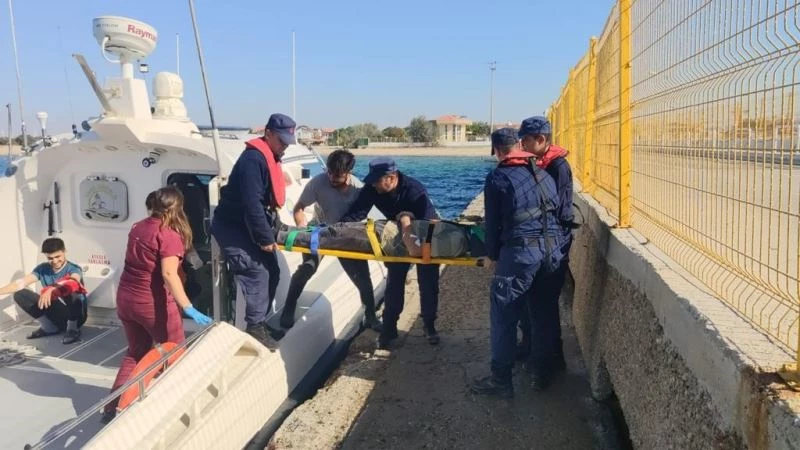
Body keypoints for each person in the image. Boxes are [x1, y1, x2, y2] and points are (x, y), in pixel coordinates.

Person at [103, 187, 212, 422]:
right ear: (178, 207)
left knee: (136, 352)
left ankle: (112, 407)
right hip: (151, 303)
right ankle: (176, 407)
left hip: (126, 299)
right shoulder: (169, 235)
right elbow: (169, 274)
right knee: (175, 353)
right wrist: (188, 307)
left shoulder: (138, 227)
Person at [469, 128, 563, 398]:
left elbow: (492, 223)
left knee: (504, 316)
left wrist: (491, 255)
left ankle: (501, 381)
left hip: (521, 255)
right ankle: (541, 374)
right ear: (519, 146)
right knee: (543, 315)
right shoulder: (543, 173)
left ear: (497, 151)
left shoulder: (498, 177)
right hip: (552, 252)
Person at [210, 113, 296, 349]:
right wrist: (265, 238)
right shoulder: (252, 160)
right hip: (232, 227)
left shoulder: (270, 157)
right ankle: (254, 328)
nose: (285, 146)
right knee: (257, 271)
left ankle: (261, 322)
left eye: (288, 142)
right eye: (282, 141)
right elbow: (252, 203)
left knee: (273, 270)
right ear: (268, 134)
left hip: (248, 225)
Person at [339, 157, 441, 349]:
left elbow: (431, 224)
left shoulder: (415, 190)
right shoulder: (372, 190)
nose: (373, 185)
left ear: (392, 178)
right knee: (394, 283)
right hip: (397, 239)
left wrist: (419, 247)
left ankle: (429, 325)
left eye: (377, 181)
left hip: (425, 236)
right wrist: (335, 230)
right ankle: (389, 328)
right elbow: (355, 214)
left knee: (428, 282)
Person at [281, 149, 383, 331]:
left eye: (337, 176)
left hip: (346, 236)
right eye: (329, 173)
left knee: (363, 278)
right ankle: (288, 307)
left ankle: (370, 316)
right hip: (319, 233)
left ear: (349, 172)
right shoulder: (318, 182)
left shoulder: (358, 189)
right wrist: (302, 227)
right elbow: (299, 208)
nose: (331, 178)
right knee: (307, 268)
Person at [515, 116, 575, 382]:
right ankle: (545, 356)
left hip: (553, 246)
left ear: (541, 139)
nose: (522, 145)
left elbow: (560, 211)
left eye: (525, 140)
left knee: (542, 308)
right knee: (535, 306)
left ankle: (542, 368)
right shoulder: (538, 163)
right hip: (541, 243)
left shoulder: (557, 167)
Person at [0, 238, 87, 345]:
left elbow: (73, 281)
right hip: (58, 313)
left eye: (58, 257)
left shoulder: (74, 268)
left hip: (76, 316)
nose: (55, 261)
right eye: (50, 258)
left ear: (64, 251)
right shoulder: (42, 269)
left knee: (71, 291)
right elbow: (20, 283)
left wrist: (52, 289)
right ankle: (49, 328)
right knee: (20, 294)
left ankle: (72, 329)